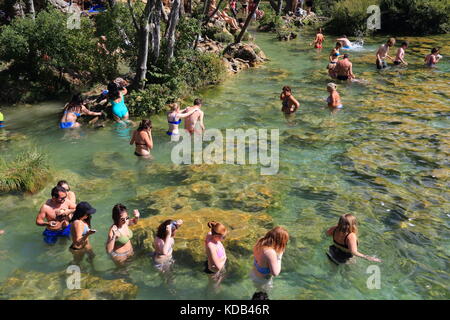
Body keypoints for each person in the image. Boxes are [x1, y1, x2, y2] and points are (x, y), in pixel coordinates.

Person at [251, 227, 289, 293]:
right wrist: (280, 256)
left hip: (253, 274)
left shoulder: (260, 242)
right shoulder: (270, 252)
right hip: (263, 282)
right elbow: (275, 273)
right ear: (280, 241)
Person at [204, 221, 227, 289]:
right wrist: (224, 258)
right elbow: (218, 267)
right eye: (223, 237)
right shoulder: (211, 247)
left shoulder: (210, 234)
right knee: (214, 287)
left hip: (212, 264)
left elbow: (212, 230)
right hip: (214, 271)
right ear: (216, 236)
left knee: (218, 283)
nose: (224, 239)